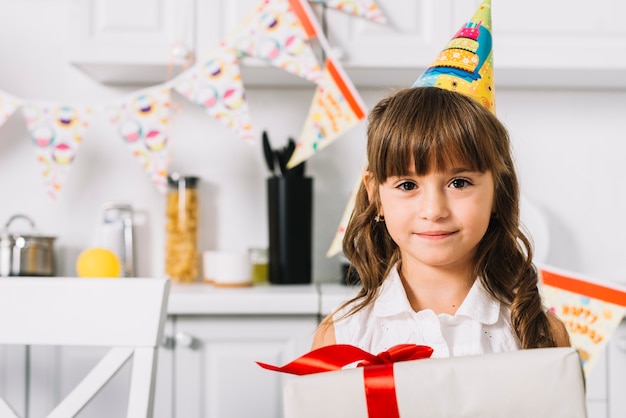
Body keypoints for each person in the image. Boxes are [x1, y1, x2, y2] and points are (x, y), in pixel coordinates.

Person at [312, 86, 570, 356]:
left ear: (498, 190)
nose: (434, 210)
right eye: (408, 185)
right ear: (375, 194)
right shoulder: (340, 337)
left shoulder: (542, 335)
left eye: (459, 183)